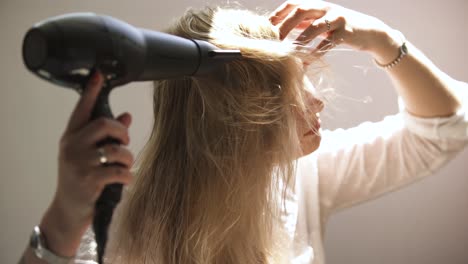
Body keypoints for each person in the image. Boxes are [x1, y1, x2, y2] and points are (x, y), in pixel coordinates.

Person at [19, 1, 468, 263]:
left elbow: (445, 129)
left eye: (303, 77)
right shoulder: (117, 227)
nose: (317, 100)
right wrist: (65, 215)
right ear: (231, 116)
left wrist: (383, 39)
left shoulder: (301, 179)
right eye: (287, 87)